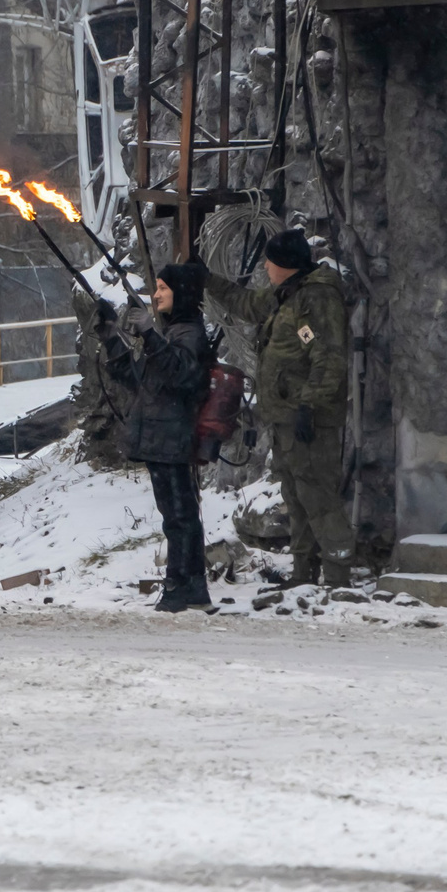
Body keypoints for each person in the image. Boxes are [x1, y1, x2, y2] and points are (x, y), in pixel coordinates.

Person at [207, 230, 353, 588]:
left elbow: (329, 358)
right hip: (286, 419)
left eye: (270, 262)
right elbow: (247, 304)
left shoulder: (316, 300)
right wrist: (206, 279)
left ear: (284, 265)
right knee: (296, 496)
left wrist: (309, 405)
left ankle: (338, 576)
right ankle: (304, 572)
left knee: (318, 496)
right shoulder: (286, 295)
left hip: (309, 420)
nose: (266, 267)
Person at [97, 260, 216, 612]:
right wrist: (110, 338)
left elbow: (183, 376)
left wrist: (149, 335)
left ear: (182, 293)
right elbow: (140, 381)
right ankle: (187, 587)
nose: (157, 294)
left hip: (174, 436)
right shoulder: (172, 333)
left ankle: (183, 587)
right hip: (159, 437)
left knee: (180, 515)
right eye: (157, 287)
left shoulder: (189, 333)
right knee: (175, 515)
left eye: (164, 288)